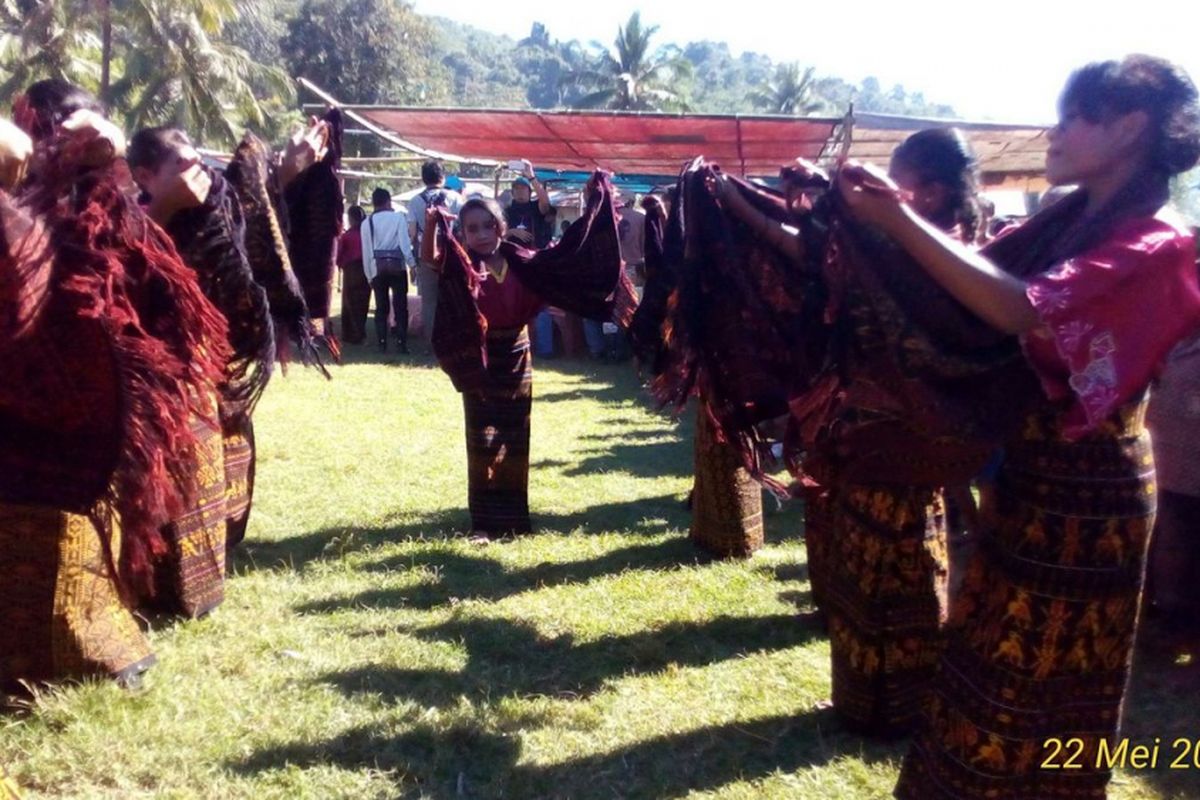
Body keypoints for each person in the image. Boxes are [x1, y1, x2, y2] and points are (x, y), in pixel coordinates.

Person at [831, 56, 1200, 800]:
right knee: (986, 667)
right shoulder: (1067, 215)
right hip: (1029, 475)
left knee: (1047, 683)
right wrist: (851, 219)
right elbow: (962, 281)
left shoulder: (1161, 240)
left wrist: (895, 218)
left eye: (1074, 117)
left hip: (1088, 501)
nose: (1055, 133)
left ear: (1129, 127)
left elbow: (1021, 308)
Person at [0, 81, 228, 689]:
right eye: (65, 128)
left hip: (80, 452)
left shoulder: (112, 213)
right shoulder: (22, 201)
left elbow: (138, 287)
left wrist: (170, 207)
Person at [426, 173, 631, 536]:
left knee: (514, 438)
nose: (481, 234)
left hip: (518, 357)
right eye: (472, 228)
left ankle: (514, 520)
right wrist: (431, 226)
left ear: (501, 227)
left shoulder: (522, 260)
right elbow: (430, 257)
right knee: (483, 440)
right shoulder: (461, 267)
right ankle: (484, 524)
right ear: (463, 234)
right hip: (482, 361)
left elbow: (567, 258)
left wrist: (594, 207)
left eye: (488, 225)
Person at [127, 125, 275, 617]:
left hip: (206, 371)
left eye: (198, 161)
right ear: (146, 176)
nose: (200, 175)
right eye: (183, 167)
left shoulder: (209, 216)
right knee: (172, 484)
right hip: (155, 379)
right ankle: (162, 591)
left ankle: (204, 585)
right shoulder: (130, 219)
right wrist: (164, 211)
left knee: (209, 482)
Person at [504, 161, 558, 358]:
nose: (520, 192)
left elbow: (545, 203)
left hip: (537, 262)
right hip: (513, 264)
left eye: (523, 189)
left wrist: (532, 178)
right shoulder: (507, 211)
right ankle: (515, 346)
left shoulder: (536, 207)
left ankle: (545, 350)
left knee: (540, 305)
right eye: (516, 189)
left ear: (528, 191)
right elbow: (496, 234)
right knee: (514, 303)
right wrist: (511, 231)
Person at [409, 160, 464, 343]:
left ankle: (431, 343)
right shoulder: (455, 198)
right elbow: (463, 228)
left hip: (426, 256)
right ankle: (453, 339)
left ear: (423, 178)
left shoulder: (415, 201)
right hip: (452, 255)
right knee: (453, 297)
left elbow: (412, 232)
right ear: (443, 176)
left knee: (429, 301)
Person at [362, 186, 414, 353]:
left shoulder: (366, 223)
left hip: (377, 270)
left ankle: (382, 343)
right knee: (400, 307)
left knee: (381, 307)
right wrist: (412, 264)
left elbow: (367, 251)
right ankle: (401, 343)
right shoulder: (398, 218)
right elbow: (405, 244)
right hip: (398, 268)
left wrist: (369, 275)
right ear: (388, 201)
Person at [337, 205, 370, 345]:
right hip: (366, 269)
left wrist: (340, 264)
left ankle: (349, 333)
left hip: (350, 269)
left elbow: (338, 254)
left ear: (351, 218)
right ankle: (360, 332)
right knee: (363, 302)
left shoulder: (347, 235)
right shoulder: (367, 234)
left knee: (349, 302)